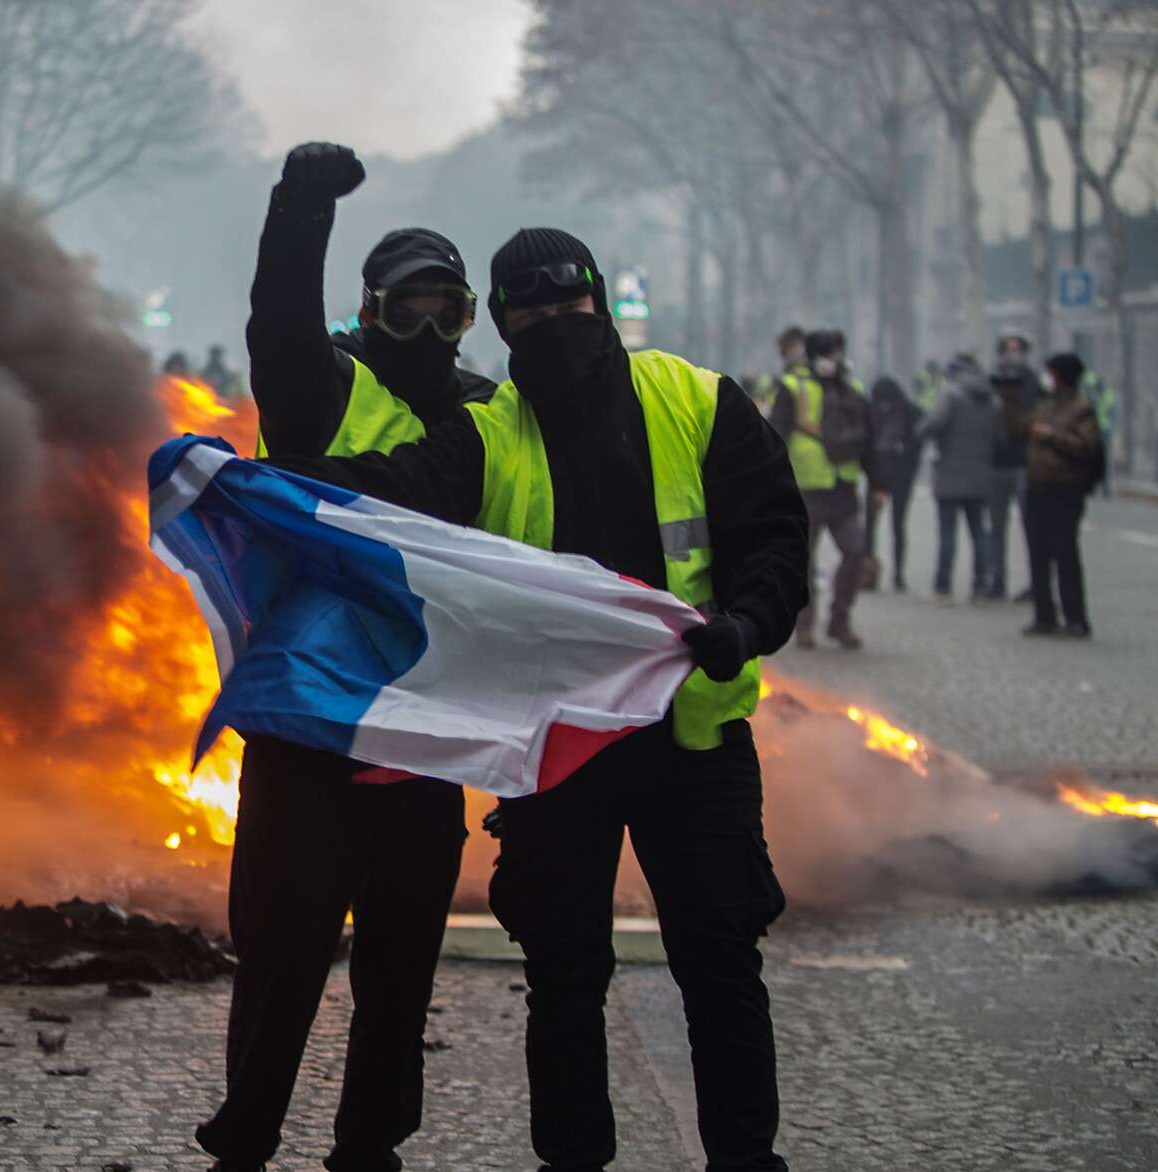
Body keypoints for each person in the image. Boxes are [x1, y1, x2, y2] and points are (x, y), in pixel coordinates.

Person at [272, 226, 805, 1172]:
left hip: (692, 740)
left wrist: (748, 624)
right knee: (564, 976)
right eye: (533, 310)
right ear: (505, 323)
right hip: (558, 752)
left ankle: (745, 1161)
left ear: (600, 302)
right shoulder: (484, 436)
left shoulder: (697, 400)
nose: (557, 324)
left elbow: (773, 535)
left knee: (720, 964)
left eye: (571, 304)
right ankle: (573, 1160)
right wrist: (257, 487)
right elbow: (382, 502)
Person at [194, 141, 494, 1172]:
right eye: (404, 306)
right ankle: (246, 1136)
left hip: (423, 730)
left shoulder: (489, 412)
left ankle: (369, 1143)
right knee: (278, 954)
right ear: (368, 309)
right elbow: (276, 318)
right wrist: (299, 208)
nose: (423, 327)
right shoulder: (321, 386)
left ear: (466, 317)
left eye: (444, 309)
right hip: (307, 728)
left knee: (401, 966)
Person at [769, 328, 870, 649]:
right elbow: (775, 436)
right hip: (805, 488)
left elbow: (868, 436)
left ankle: (840, 620)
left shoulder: (853, 388)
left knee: (855, 552)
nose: (833, 359)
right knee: (803, 563)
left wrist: (880, 483)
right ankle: (805, 625)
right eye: (827, 352)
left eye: (837, 351)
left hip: (843, 488)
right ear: (812, 355)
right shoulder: (792, 387)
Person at [1011, 353, 1102, 636]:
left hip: (1066, 489)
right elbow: (1017, 430)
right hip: (1037, 487)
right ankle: (1044, 616)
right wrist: (1010, 399)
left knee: (1065, 554)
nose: (1046, 377)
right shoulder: (1044, 404)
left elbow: (1085, 445)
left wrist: (1050, 436)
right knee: (1038, 554)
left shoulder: (1081, 408)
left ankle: (1075, 618)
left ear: (1061, 376)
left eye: (1050, 372)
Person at [918, 354, 999, 603]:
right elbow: (999, 434)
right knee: (979, 532)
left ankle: (943, 586)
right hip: (981, 474)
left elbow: (933, 424)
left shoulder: (950, 395)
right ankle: (981, 585)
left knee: (948, 533)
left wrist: (919, 431)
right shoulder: (992, 399)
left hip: (951, 474)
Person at [986, 334, 1042, 601]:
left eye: (1017, 350)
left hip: (1024, 463)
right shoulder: (991, 382)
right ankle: (997, 580)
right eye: (1007, 350)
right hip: (996, 464)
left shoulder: (1033, 382)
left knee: (1032, 528)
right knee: (996, 528)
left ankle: (1036, 582)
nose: (1012, 355)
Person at [864, 375, 924, 591]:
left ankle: (887, 572)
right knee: (889, 525)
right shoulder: (910, 411)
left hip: (884, 474)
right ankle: (881, 572)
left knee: (885, 525)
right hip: (886, 475)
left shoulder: (875, 410)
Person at [1082, 365, 1117, 498]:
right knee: (1100, 461)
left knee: (1099, 460)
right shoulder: (1105, 394)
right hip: (1100, 431)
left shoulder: (1090, 394)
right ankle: (1102, 488)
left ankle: (1102, 488)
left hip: (1099, 431)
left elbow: (1112, 413)